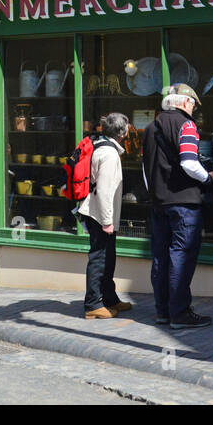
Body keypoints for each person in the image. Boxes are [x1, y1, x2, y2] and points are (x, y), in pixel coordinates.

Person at [142, 83, 213, 329]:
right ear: (185, 102)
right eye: (193, 104)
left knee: (161, 257)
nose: (194, 110)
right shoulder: (187, 125)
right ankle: (180, 313)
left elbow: (145, 170)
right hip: (184, 202)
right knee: (181, 257)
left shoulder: (150, 127)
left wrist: (153, 193)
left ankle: (163, 311)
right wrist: (208, 178)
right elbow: (189, 163)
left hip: (158, 202)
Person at [76, 113, 133, 319]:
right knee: (99, 259)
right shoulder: (109, 155)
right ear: (121, 133)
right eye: (126, 130)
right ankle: (93, 304)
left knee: (108, 257)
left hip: (97, 213)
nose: (128, 133)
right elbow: (105, 190)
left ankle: (109, 298)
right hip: (100, 215)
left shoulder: (101, 147)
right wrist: (107, 221)